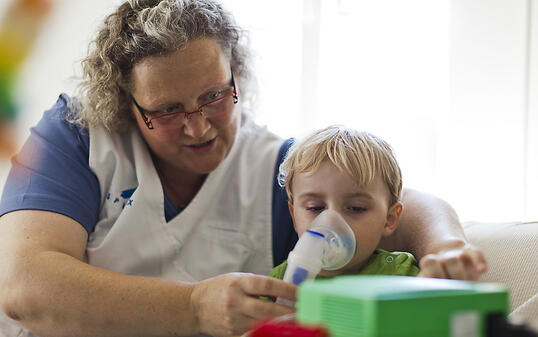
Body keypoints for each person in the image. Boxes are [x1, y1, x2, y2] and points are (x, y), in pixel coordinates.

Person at [0, 1, 486, 336]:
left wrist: (445, 245)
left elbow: (394, 202)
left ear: (237, 76)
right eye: (168, 110)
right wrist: (193, 307)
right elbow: (24, 286)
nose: (198, 128)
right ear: (127, 105)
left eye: (214, 96)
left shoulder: (273, 165)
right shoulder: (78, 135)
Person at [270, 126, 419, 281]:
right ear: (294, 217)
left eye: (356, 208)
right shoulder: (281, 281)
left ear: (389, 219)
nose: (331, 223)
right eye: (315, 208)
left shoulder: (399, 274)